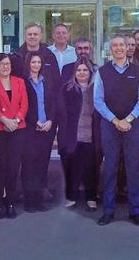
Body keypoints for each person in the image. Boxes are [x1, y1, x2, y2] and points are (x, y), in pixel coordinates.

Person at [93, 34, 139, 226]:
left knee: (133, 168)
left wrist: (128, 119)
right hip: (110, 126)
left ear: (127, 48)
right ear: (111, 50)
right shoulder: (102, 72)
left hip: (132, 126)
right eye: (115, 45)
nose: (118, 48)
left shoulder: (138, 71)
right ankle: (108, 211)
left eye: (121, 45)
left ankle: (135, 211)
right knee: (110, 167)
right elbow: (98, 101)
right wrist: (116, 121)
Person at [0, 52, 27, 220]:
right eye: (2, 64)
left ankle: (10, 203)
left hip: (17, 130)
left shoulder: (19, 82)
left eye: (8, 64)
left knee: (13, 168)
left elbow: (24, 105)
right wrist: (4, 120)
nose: (5, 66)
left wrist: (15, 120)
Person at [58, 58, 99, 212]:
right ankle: (71, 196)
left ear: (90, 72)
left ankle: (91, 197)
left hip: (91, 134)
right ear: (74, 73)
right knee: (71, 167)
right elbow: (61, 113)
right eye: (79, 70)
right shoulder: (67, 89)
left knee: (90, 167)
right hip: (72, 135)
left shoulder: (96, 89)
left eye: (85, 70)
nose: (82, 73)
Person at [21, 52, 59, 212]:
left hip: (46, 129)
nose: (36, 65)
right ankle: (29, 202)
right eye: (33, 62)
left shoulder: (46, 81)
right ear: (28, 64)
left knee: (41, 166)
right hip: (30, 130)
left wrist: (50, 121)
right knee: (29, 166)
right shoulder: (23, 82)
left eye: (38, 62)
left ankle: (38, 200)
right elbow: (23, 105)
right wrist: (35, 121)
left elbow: (52, 103)